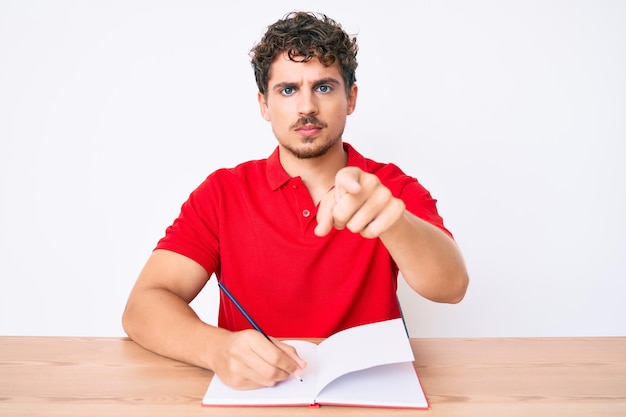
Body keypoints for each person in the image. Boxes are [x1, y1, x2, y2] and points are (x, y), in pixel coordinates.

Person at [122, 11, 468, 390]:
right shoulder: (222, 193)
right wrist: (215, 349)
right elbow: (143, 306)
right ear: (264, 105)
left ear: (350, 98)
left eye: (323, 87)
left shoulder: (389, 187)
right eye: (288, 90)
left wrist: (393, 220)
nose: (307, 107)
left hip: (371, 395)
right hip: (253, 395)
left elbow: (451, 288)